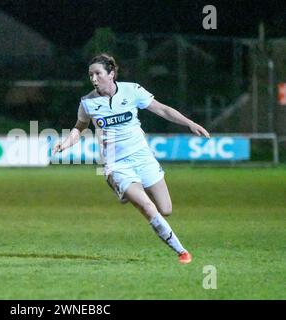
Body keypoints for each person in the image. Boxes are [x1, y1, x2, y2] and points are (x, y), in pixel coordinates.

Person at [52, 54, 210, 264]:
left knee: (165, 209)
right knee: (147, 206)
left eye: (98, 73)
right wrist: (66, 142)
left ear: (111, 74)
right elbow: (79, 128)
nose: (94, 78)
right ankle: (182, 252)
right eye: (91, 75)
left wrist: (190, 124)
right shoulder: (87, 103)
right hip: (117, 165)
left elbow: (162, 109)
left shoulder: (132, 90)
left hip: (143, 157)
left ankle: (126, 192)